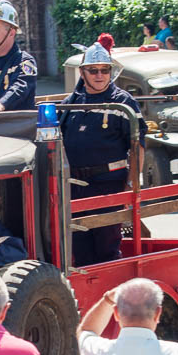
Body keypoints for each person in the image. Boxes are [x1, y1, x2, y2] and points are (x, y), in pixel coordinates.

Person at [60, 35, 146, 266]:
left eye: (104, 70)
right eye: (94, 70)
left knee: (106, 247)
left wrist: (131, 185)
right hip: (75, 187)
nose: (99, 75)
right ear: (83, 72)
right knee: (79, 249)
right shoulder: (71, 102)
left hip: (109, 186)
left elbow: (137, 147)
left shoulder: (123, 103)